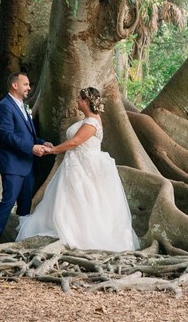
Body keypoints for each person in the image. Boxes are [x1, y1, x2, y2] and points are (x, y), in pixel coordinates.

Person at [16, 86, 139, 251]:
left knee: (85, 199)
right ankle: (67, 229)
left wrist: (52, 150)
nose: (77, 101)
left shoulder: (92, 122)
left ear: (86, 102)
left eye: (79, 99)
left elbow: (74, 142)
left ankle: (80, 235)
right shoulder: (87, 120)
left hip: (85, 166)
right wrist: (52, 146)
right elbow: (73, 142)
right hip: (75, 164)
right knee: (70, 199)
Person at [0, 71, 49, 245]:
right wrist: (31, 148)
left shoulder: (21, 106)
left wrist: (42, 143)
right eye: (26, 84)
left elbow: (27, 135)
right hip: (12, 164)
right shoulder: (4, 106)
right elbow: (6, 135)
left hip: (27, 164)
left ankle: (20, 238)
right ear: (15, 85)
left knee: (25, 205)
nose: (29, 88)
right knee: (8, 201)